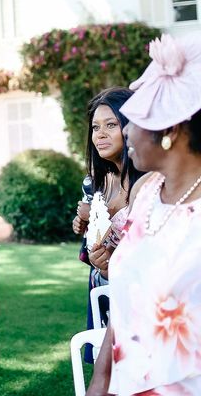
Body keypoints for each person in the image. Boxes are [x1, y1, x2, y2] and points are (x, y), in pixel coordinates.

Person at [88, 34, 201, 395]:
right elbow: (124, 304)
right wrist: (100, 381)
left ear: (170, 131)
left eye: (132, 122)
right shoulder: (147, 192)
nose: (126, 132)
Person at [70, 88, 143, 363]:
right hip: (103, 291)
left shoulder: (148, 183)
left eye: (111, 125)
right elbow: (93, 242)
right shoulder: (96, 182)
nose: (100, 134)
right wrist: (85, 224)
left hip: (140, 300)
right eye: (95, 127)